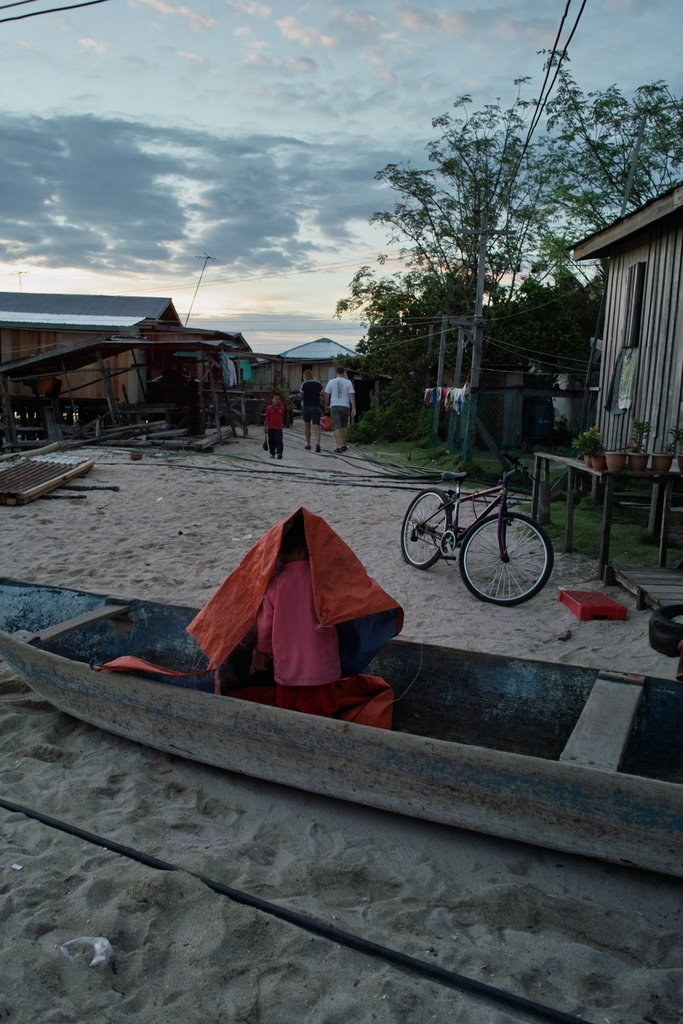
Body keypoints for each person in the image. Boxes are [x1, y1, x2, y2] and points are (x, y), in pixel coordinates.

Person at [249, 515, 343, 714]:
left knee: (288, 711)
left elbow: (265, 625)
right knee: (326, 711)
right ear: (308, 549)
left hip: (289, 668)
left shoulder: (276, 584)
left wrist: (262, 651)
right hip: (321, 668)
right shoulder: (324, 581)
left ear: (280, 553)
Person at [324, 367, 355, 454]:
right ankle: (344, 444)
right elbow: (352, 395)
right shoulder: (348, 382)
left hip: (334, 405)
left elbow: (327, 394)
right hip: (345, 405)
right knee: (344, 426)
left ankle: (338, 446)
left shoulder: (331, 381)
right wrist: (354, 408)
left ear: (336, 372)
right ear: (344, 372)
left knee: (336, 427)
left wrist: (326, 405)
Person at [299, 369, 323, 453]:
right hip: (316, 407)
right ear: (312, 375)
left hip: (307, 407)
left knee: (307, 426)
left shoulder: (304, 384)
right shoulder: (318, 383)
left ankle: (308, 444)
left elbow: (301, 396)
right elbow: (322, 394)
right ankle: (318, 444)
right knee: (316, 426)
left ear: (304, 376)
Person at [264, 393, 285, 459]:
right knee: (271, 441)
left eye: (278, 399)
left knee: (279, 440)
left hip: (279, 428)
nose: (276, 400)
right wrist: (265, 427)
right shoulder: (269, 408)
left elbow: (283, 417)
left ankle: (279, 453)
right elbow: (267, 418)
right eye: (275, 398)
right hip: (271, 427)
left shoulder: (282, 408)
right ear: (272, 400)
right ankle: (272, 453)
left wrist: (283, 423)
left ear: (280, 400)